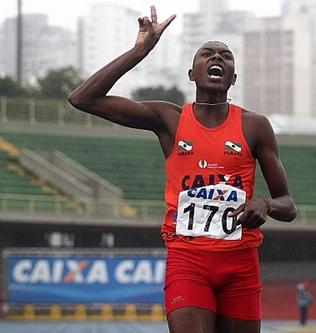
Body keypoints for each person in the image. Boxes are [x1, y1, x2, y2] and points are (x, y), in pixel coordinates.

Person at [68, 6, 297, 333]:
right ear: (192, 74)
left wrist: (266, 204)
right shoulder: (170, 120)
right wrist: (140, 51)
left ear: (233, 77)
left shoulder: (255, 126)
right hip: (188, 259)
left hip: (241, 263)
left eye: (226, 55)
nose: (217, 56)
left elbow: (288, 206)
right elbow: (82, 99)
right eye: (207, 53)